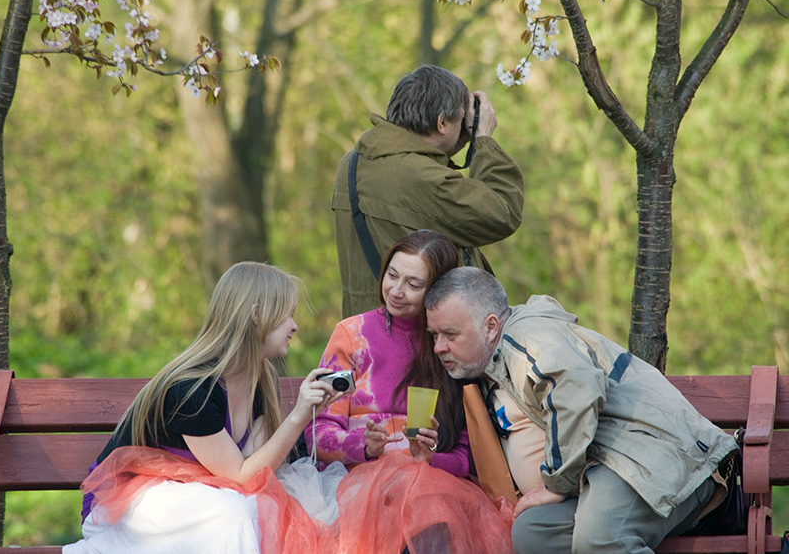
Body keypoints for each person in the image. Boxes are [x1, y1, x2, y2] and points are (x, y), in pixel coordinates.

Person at [424, 267, 739, 554]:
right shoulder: (497, 360)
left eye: (450, 335)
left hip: (652, 453)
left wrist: (556, 482)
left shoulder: (528, 336)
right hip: (606, 465)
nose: (439, 347)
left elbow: (577, 388)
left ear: (490, 325)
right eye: (435, 336)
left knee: (601, 540)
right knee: (534, 535)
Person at [64, 262, 345, 554]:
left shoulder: (258, 381)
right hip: (120, 506)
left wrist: (312, 411)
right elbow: (241, 476)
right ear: (257, 315)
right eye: (288, 313)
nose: (294, 326)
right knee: (238, 513)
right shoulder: (193, 391)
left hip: (199, 494)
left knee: (265, 506)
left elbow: (255, 466)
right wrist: (298, 417)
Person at [306, 230, 514, 554]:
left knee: (430, 506)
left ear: (436, 291)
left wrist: (430, 460)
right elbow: (318, 432)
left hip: (431, 488)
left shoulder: (448, 347)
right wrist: (363, 445)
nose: (396, 291)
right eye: (392, 275)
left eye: (414, 285)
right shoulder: (352, 335)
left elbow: (464, 454)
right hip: (356, 485)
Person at [333, 64, 525, 318]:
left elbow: (418, 183)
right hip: (420, 345)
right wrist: (483, 139)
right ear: (442, 122)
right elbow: (502, 211)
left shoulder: (354, 161)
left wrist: (453, 142)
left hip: (366, 336)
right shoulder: (424, 179)